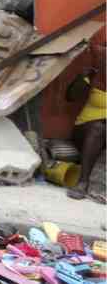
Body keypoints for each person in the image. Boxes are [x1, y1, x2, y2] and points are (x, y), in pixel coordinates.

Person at [66, 41, 106, 202]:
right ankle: (83, 182)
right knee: (99, 127)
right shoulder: (93, 75)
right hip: (87, 132)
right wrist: (82, 78)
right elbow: (70, 97)